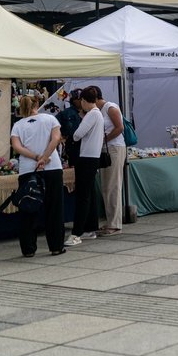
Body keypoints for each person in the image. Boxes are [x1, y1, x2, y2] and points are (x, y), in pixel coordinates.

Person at [11, 95, 65, 257]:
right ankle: (56, 246)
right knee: (54, 208)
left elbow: (17, 147)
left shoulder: (18, 125)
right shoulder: (50, 119)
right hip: (52, 166)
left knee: (28, 208)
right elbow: (56, 138)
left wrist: (36, 158)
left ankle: (28, 249)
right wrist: (45, 157)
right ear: (38, 104)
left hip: (28, 169)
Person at [64, 87, 104, 247]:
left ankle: (76, 233)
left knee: (83, 195)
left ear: (85, 101)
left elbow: (77, 134)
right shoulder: (98, 114)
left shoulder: (92, 114)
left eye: (81, 101)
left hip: (86, 158)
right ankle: (90, 228)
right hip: (93, 157)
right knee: (90, 194)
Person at [93, 86, 125, 236]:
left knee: (113, 186)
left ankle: (114, 223)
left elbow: (120, 127)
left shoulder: (110, 108)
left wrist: (104, 140)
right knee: (106, 186)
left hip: (114, 148)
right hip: (106, 149)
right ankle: (111, 221)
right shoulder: (99, 111)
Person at [56, 89, 83, 167]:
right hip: (71, 146)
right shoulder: (65, 113)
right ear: (74, 100)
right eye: (80, 99)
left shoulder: (89, 113)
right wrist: (61, 137)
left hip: (84, 146)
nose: (82, 101)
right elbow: (54, 125)